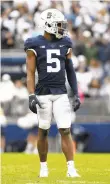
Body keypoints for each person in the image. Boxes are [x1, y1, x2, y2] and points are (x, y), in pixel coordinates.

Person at [24, 9, 81, 178]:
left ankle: (71, 168)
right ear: (48, 24)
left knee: (65, 130)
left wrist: (76, 93)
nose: (61, 28)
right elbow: (30, 72)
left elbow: (70, 71)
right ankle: (43, 167)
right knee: (43, 130)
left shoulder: (66, 42)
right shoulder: (33, 43)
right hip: (42, 93)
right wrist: (31, 95)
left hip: (61, 93)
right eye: (58, 24)